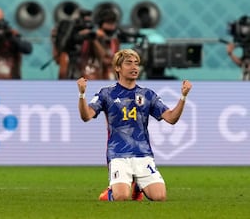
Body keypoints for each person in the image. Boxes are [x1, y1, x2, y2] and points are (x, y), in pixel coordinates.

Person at [77, 48, 192, 201]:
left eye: (136, 64)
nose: (134, 67)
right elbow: (86, 116)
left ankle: (137, 187)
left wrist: (183, 97)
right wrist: (82, 95)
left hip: (143, 154)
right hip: (118, 154)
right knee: (121, 197)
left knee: (160, 197)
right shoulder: (106, 93)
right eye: (129, 63)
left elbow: (171, 118)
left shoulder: (147, 94)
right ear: (118, 68)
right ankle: (111, 192)